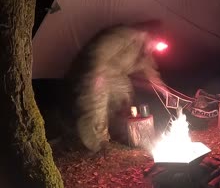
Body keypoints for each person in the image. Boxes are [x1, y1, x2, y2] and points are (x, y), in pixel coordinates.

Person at [65, 22, 165, 152]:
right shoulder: (126, 36)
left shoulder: (144, 52)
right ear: (147, 35)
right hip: (97, 72)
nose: (153, 48)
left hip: (117, 77)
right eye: (154, 43)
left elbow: (150, 71)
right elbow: (99, 52)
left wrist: (163, 89)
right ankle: (99, 146)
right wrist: (97, 76)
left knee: (124, 100)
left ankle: (118, 133)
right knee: (96, 109)